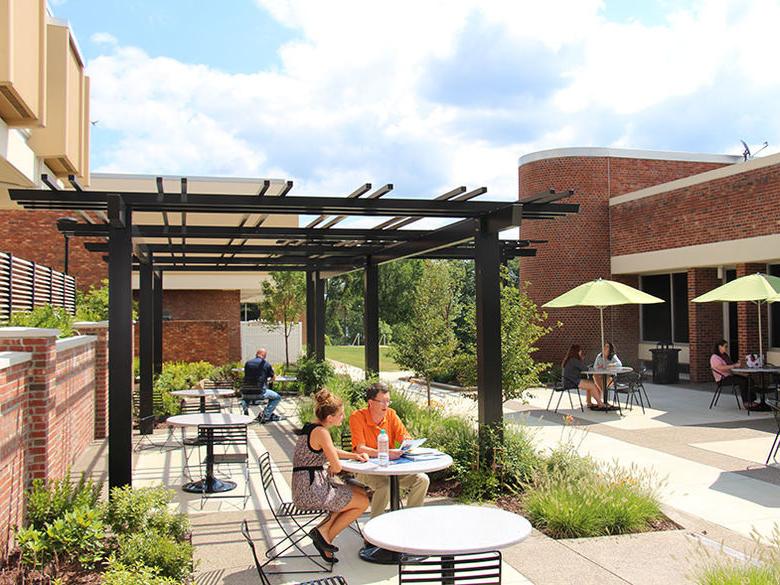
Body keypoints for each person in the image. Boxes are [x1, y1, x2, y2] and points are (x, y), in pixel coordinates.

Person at [292, 389, 370, 563]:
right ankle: (325, 536)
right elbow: (336, 465)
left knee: (359, 493)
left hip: (307, 486)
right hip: (311, 490)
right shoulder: (322, 432)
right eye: (341, 414)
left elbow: (331, 451)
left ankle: (323, 533)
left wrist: (354, 455)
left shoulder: (311, 428)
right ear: (329, 418)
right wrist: (334, 467)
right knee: (363, 502)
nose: (343, 417)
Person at [349, 382, 430, 518]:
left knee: (422, 479)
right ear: (370, 402)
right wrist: (386, 453)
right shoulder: (357, 417)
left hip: (392, 468)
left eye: (388, 401)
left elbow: (405, 437)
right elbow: (360, 449)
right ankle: (373, 533)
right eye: (382, 402)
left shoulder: (391, 415)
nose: (386, 405)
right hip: (367, 469)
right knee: (385, 486)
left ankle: (411, 522)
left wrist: (408, 444)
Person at [710, 339, 756, 408]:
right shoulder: (714, 357)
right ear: (720, 347)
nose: (727, 348)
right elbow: (720, 367)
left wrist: (741, 372)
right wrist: (734, 365)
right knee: (742, 382)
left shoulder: (725, 356)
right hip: (722, 379)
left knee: (749, 379)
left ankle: (751, 400)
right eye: (725, 346)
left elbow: (731, 367)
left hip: (730, 375)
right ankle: (746, 402)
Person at [241, 348, 282, 423]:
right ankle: (265, 415)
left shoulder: (247, 363)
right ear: (265, 355)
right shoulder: (266, 364)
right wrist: (269, 381)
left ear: (256, 354)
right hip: (259, 393)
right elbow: (273, 377)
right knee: (277, 397)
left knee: (246, 395)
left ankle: (245, 409)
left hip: (246, 393)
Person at [563, 344, 606, 410]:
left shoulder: (570, 360)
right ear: (576, 352)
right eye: (580, 350)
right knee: (592, 385)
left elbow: (583, 368)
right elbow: (585, 369)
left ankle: (589, 402)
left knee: (590, 383)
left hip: (568, 381)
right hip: (572, 382)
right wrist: (596, 368)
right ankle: (600, 403)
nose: (581, 352)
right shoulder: (574, 360)